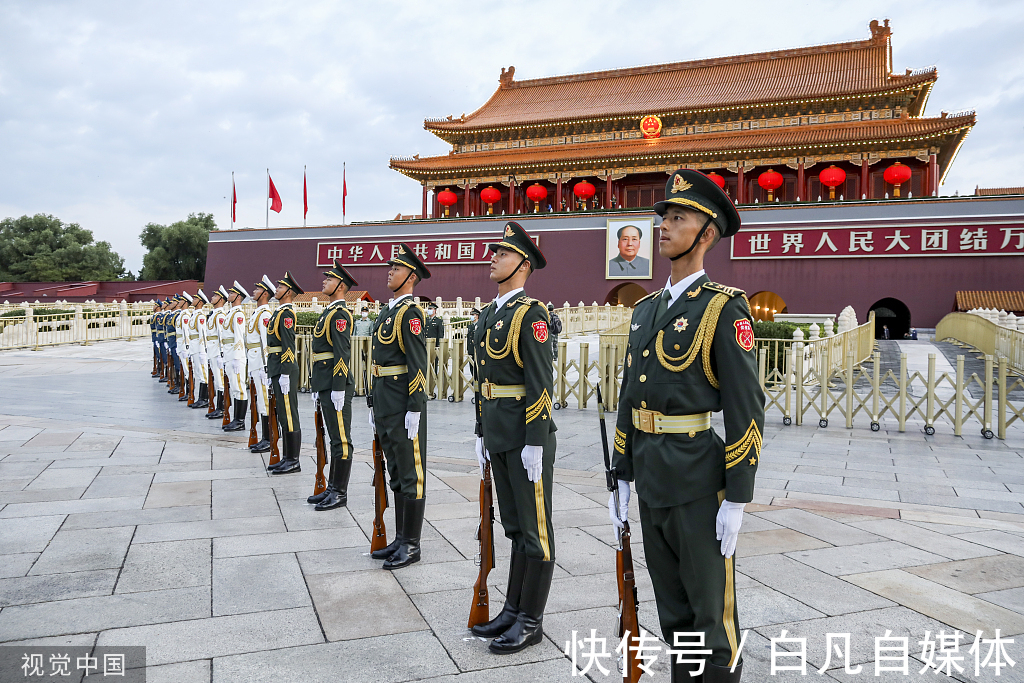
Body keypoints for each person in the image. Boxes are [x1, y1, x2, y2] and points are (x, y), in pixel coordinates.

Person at [609, 170, 763, 683]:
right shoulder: (646, 309)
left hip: (698, 478)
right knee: (672, 613)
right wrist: (622, 472)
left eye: (678, 218)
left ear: (707, 233)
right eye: (664, 218)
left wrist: (737, 497)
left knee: (712, 620)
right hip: (651, 475)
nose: (665, 227)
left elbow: (746, 406)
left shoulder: (724, 307)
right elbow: (631, 395)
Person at [471, 221, 557, 654]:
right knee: (514, 527)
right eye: (494, 252)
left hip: (525, 435)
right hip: (500, 431)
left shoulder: (532, 314)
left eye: (501, 254)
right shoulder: (489, 314)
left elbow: (541, 381)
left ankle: (531, 620)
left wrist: (536, 440)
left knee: (535, 528)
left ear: (523, 263)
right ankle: (511, 609)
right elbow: (481, 377)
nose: (493, 258)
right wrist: (480, 428)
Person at [368, 243, 429, 570]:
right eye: (390, 267)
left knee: (410, 473)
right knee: (394, 471)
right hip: (385, 400)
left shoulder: (410, 313)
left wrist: (415, 408)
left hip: (403, 402)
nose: (389, 271)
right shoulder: (388, 311)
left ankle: (412, 543)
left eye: (396, 268)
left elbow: (417, 364)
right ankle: (400, 538)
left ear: (411, 276)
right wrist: (372, 400)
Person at [307, 260, 357, 510]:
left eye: (329, 279)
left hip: (336, 384)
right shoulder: (329, 312)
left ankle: (340, 492)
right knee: (332, 436)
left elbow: (342, 353)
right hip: (325, 382)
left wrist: (338, 386)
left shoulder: (340, 314)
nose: (324, 281)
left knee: (341, 439)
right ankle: (332, 488)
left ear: (340, 286)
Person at [267, 272, 304, 475]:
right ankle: (287, 457)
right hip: (276, 366)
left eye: (280, 287)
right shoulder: (279, 312)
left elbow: (288, 346)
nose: (276, 289)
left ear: (288, 291)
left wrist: (285, 373)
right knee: (283, 412)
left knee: (289, 413)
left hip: (284, 368)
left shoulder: (287, 314)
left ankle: (293, 460)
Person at [247, 276, 275, 452]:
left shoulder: (265, 314)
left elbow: (266, 342)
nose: (254, 291)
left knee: (265, 401)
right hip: (254, 360)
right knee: (259, 401)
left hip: (261, 362)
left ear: (264, 294)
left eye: (257, 289)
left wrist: (267, 366)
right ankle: (264, 436)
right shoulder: (257, 312)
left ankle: (268, 438)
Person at [222, 282, 250, 431]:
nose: (229, 295)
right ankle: (236, 418)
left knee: (239, 388)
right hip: (229, 354)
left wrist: (238, 358)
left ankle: (240, 420)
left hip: (235, 355)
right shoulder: (231, 313)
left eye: (232, 293)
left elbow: (239, 337)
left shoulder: (238, 314)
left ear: (238, 296)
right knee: (234, 387)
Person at [206, 286, 230, 420]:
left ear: (221, 299)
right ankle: (218, 407)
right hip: (212, 351)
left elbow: (222, 335)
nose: (212, 298)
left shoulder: (220, 315)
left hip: (217, 352)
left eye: (215, 296)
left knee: (220, 381)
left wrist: (221, 353)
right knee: (216, 380)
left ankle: (222, 409)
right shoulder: (214, 314)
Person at [187, 290, 210, 409]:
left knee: (203, 373)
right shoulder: (194, 314)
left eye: (195, 299)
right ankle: (200, 398)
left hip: (199, 348)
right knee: (198, 372)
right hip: (194, 347)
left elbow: (203, 334)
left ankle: (204, 399)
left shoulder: (200, 316)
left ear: (200, 302)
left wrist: (202, 351)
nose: (193, 300)